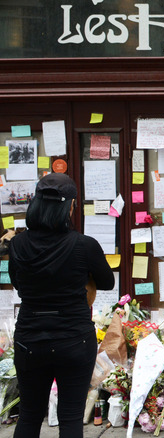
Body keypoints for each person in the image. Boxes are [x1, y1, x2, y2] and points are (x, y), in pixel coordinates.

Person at [6, 173, 115, 438]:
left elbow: (17, 283)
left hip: (30, 338)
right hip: (74, 338)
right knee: (70, 418)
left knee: (29, 415)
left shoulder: (18, 244)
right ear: (68, 207)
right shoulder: (84, 245)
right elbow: (107, 282)